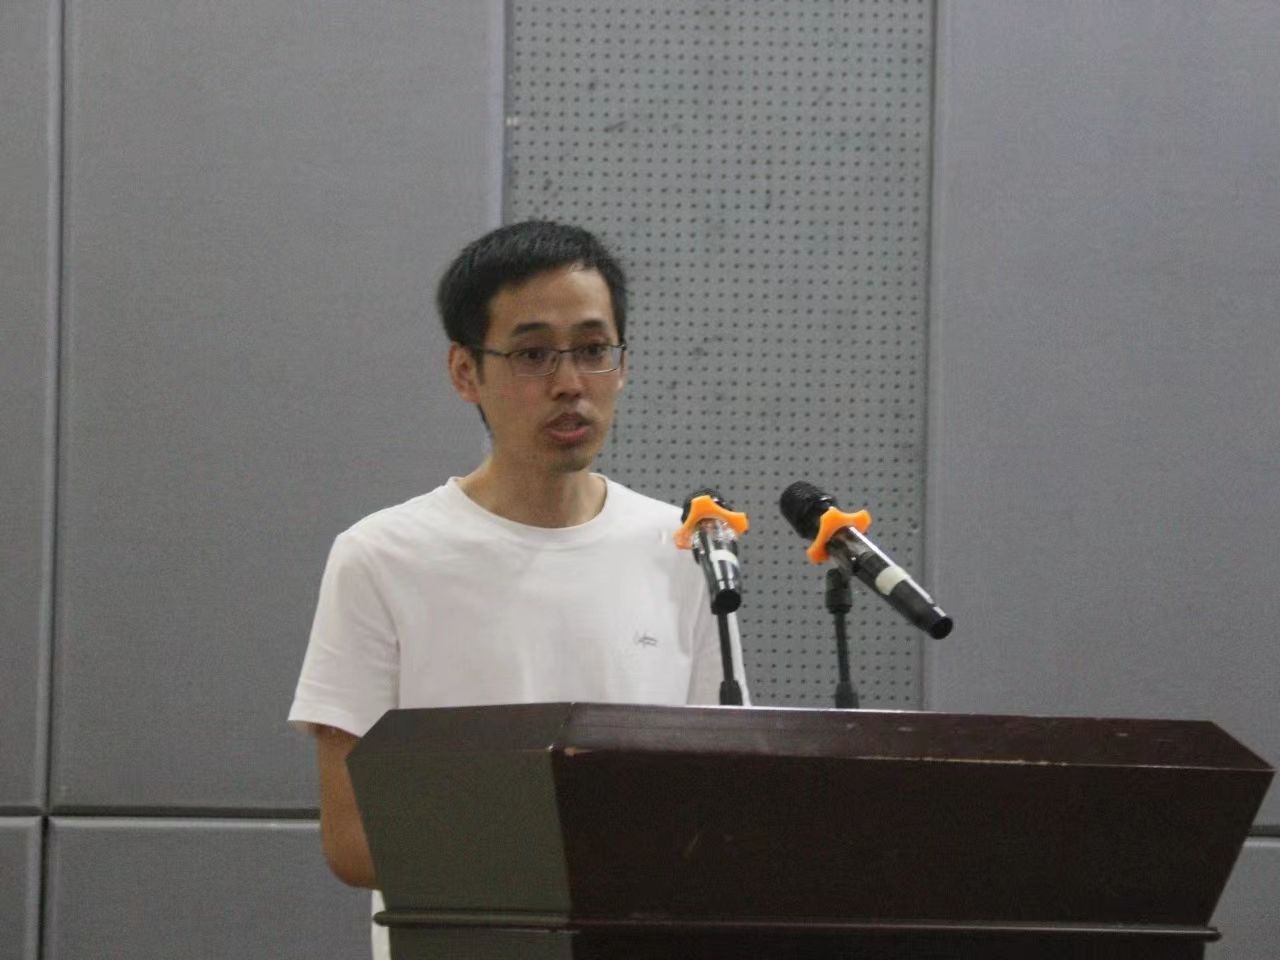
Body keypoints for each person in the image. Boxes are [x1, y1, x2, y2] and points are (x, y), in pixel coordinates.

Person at [287, 220, 748, 958]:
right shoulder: (382, 557)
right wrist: (589, 857)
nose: (570, 383)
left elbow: (718, 804)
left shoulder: (683, 547)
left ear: (623, 364)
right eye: (533, 355)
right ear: (464, 371)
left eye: (594, 350)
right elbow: (354, 837)